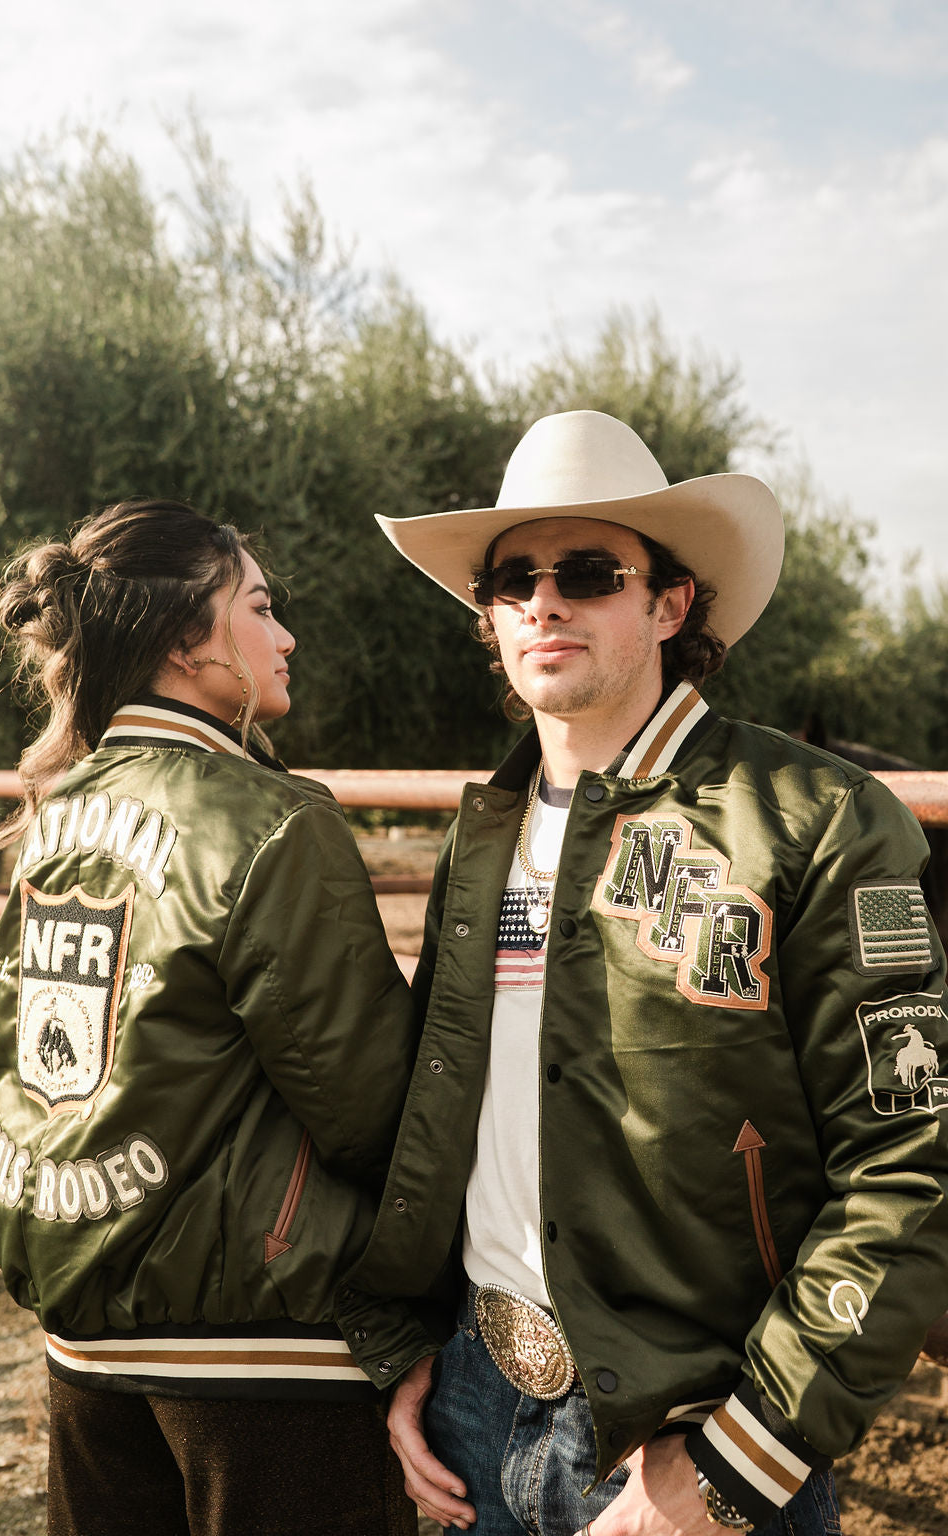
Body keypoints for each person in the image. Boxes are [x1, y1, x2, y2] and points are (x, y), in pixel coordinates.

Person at [335, 412, 948, 1535]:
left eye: (587, 573)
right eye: (512, 579)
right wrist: (413, 1341)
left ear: (670, 605)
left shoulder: (817, 821)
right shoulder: (484, 834)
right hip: (475, 1403)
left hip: (693, 1434)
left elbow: (909, 1163)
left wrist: (739, 1460)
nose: (543, 602)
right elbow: (447, 1118)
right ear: (489, 617)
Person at [0, 499, 418, 1536]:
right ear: (186, 639)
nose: (285, 635)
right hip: (263, 1355)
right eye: (258, 608)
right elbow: (375, 1110)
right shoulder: (272, 821)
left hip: (84, 1342)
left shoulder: (55, 814)